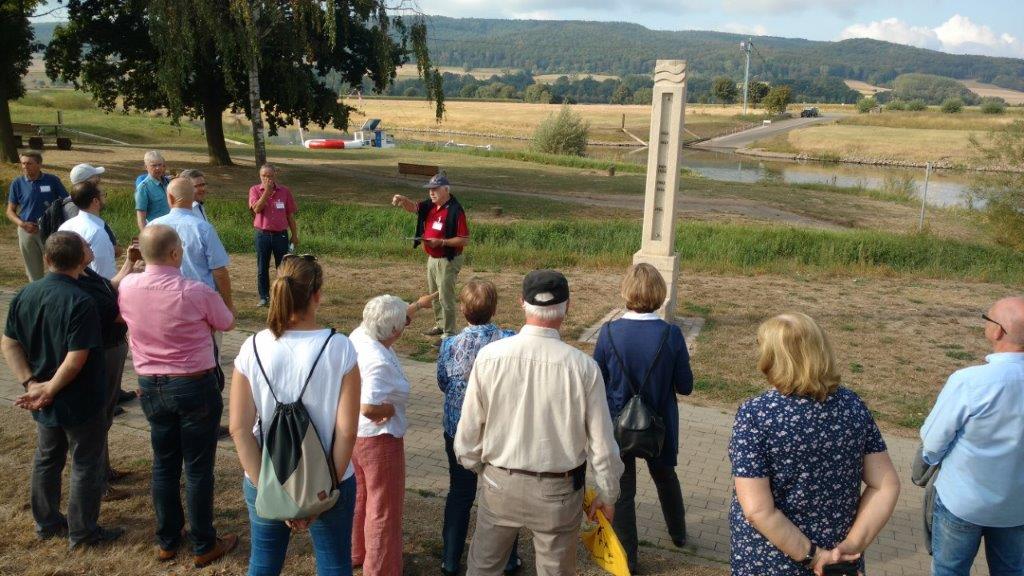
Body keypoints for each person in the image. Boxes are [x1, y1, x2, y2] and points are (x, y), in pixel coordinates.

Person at [455, 269, 624, 576]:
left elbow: (467, 433)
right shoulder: (583, 368)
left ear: (522, 303)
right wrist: (608, 492)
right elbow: (602, 443)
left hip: (501, 480)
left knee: (483, 569)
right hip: (558, 490)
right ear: (567, 307)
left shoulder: (490, 357)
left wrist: (483, 469)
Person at [729, 312, 901, 576]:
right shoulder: (852, 406)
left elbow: (757, 509)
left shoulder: (756, 415)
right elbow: (885, 484)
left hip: (770, 560)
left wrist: (814, 556)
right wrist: (849, 548)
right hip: (839, 561)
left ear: (772, 358)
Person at [230, 254, 362, 576]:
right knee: (334, 566)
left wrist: (268, 490)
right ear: (317, 294)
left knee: (262, 565)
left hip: (265, 472)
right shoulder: (339, 348)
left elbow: (239, 428)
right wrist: (323, 490)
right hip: (330, 477)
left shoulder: (252, 347)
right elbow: (345, 432)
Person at [117, 224, 238, 567]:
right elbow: (227, 322)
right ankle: (203, 543)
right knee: (198, 468)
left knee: (164, 463)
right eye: (180, 249)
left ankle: (167, 539)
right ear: (173, 253)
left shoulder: (128, 287)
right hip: (193, 384)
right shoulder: (194, 291)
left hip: (151, 384)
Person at [1, 232, 124, 548]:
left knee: (47, 457)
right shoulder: (80, 301)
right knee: (85, 461)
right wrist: (46, 389)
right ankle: (82, 533)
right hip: (78, 396)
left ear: (46, 259)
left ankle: (46, 522)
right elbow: (76, 356)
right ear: (83, 260)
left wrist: (32, 383)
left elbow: (10, 342)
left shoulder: (25, 294)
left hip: (44, 397)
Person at [592, 263, 694, 574]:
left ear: (626, 292)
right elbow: (685, 387)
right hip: (659, 428)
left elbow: (597, 379)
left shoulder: (608, 333)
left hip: (617, 425)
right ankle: (678, 535)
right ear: (660, 295)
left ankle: (629, 559)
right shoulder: (671, 335)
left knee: (623, 491)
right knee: (666, 479)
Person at [920, 297, 1024, 576]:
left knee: (950, 571)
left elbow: (932, 443)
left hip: (963, 501)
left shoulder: (970, 381)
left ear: (998, 331)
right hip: (1017, 507)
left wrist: (929, 460)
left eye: (987, 319)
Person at [436, 280, 521, 576]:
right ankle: (508, 559)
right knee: (501, 494)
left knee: (460, 492)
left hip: (459, 429)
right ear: (495, 308)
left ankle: (449, 558)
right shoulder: (510, 339)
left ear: (462, 309)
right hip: (499, 430)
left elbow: (443, 383)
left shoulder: (450, 344)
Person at [349, 293, 433, 576]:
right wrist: (387, 409)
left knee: (360, 495)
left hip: (355, 437)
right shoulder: (378, 361)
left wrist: (418, 306)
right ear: (395, 332)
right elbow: (368, 405)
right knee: (383, 507)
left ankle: (355, 551)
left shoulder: (362, 333)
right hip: (379, 439)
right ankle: (380, 568)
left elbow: (393, 317)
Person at [74, 239, 139, 501]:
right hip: (104, 350)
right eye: (86, 245)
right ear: (79, 256)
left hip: (113, 348)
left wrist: (130, 264)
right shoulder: (80, 285)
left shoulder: (87, 275)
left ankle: (105, 470)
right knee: (99, 417)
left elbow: (110, 287)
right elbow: (118, 314)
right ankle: (98, 483)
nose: (92, 246)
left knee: (106, 414)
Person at [391, 173, 470, 343]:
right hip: (432, 258)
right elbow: (414, 208)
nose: (431, 193)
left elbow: (464, 239)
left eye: (435, 189)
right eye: (429, 190)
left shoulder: (456, 210)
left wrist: (441, 242)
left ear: (446, 189)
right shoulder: (431, 206)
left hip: (448, 259)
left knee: (445, 296)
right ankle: (440, 325)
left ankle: (449, 333)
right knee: (434, 293)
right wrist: (404, 200)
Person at [149, 177, 233, 309]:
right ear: (192, 197)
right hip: (199, 299)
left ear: (170, 198)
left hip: (162, 298)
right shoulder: (203, 228)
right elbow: (219, 271)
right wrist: (228, 305)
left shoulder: (153, 226)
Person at [6, 151, 69, 281]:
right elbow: (10, 211)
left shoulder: (52, 181)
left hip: (50, 230)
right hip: (27, 230)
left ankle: (57, 293)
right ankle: (37, 296)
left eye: (29, 163)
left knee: (57, 266)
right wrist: (22, 224)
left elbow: (67, 202)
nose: (25, 166)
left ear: (39, 164)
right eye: (23, 163)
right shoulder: (17, 183)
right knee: (33, 271)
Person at [250, 164, 299, 307]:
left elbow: (290, 215)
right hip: (262, 235)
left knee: (283, 268)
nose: (267, 179)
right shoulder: (254, 190)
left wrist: (294, 235)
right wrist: (266, 192)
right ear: (260, 176)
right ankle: (264, 297)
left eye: (269, 176)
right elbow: (257, 209)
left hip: (280, 236)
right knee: (262, 267)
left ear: (274, 176)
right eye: (264, 176)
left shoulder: (284, 191)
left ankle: (282, 296)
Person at [59, 181, 117, 279]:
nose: (105, 197)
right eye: (103, 194)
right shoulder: (97, 232)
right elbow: (104, 276)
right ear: (95, 201)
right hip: (91, 290)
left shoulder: (64, 226)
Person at [135, 150, 171, 230]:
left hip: (173, 229)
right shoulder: (143, 188)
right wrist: (145, 236)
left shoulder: (169, 183)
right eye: (154, 165)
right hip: (155, 231)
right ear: (146, 167)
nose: (158, 168)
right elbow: (141, 217)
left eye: (160, 165)